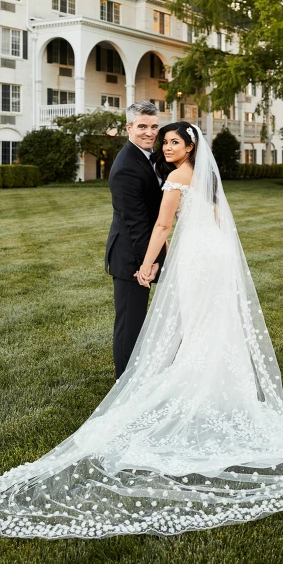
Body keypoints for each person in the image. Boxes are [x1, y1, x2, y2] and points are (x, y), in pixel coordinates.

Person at [0, 122, 283, 539]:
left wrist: (148, 265)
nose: (166, 147)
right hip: (216, 255)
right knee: (211, 325)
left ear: (189, 147)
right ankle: (224, 387)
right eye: (162, 141)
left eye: (173, 142)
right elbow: (218, 223)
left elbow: (163, 226)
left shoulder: (176, 181)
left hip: (194, 261)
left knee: (197, 325)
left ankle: (197, 388)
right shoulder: (203, 178)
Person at [105, 101, 167, 379]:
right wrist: (148, 263)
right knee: (130, 325)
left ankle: (141, 375)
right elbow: (136, 223)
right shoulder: (126, 167)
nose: (149, 132)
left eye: (154, 126)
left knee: (141, 323)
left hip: (146, 251)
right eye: (142, 126)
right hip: (131, 256)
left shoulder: (150, 157)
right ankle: (124, 383)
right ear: (128, 128)